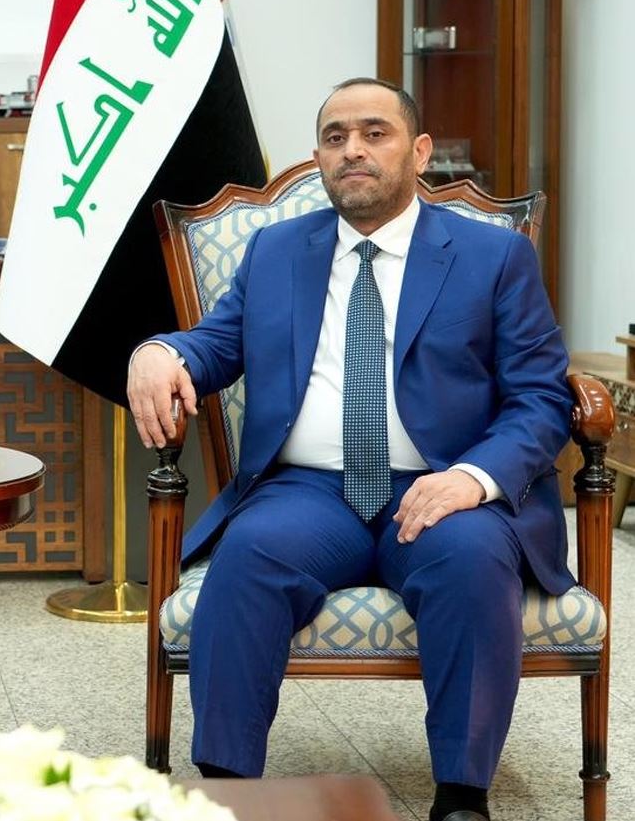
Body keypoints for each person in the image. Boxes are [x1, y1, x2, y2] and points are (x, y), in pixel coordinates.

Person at [125, 78, 571, 821]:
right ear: (319, 157)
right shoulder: (276, 251)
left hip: (441, 487)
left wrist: (474, 477)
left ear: (419, 152)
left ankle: (463, 798)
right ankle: (226, 793)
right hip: (309, 491)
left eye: (374, 132)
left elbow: (542, 396)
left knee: (471, 561)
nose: (352, 150)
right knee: (249, 556)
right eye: (335, 137)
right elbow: (215, 344)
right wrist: (159, 351)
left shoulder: (493, 256)